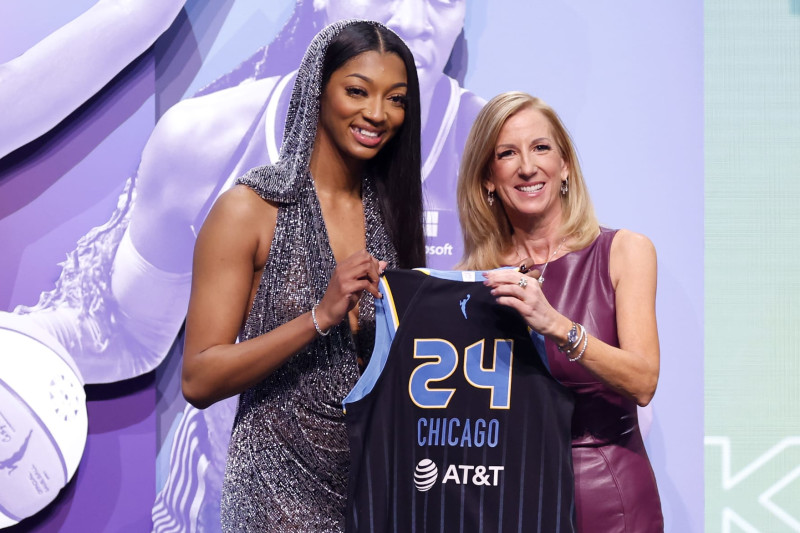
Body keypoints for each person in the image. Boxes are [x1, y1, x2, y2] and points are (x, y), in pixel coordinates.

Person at [180, 19, 424, 531]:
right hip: (274, 493)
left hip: (376, 488)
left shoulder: (393, 216)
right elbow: (199, 377)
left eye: (396, 99)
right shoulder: (251, 208)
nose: (377, 114)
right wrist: (320, 316)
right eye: (357, 91)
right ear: (318, 86)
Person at [459, 92, 663, 532]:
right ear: (488, 179)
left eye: (541, 148)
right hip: (505, 498)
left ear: (566, 165)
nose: (527, 167)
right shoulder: (471, 282)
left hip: (608, 496)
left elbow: (644, 381)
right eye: (506, 153)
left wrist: (556, 326)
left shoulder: (625, 251)